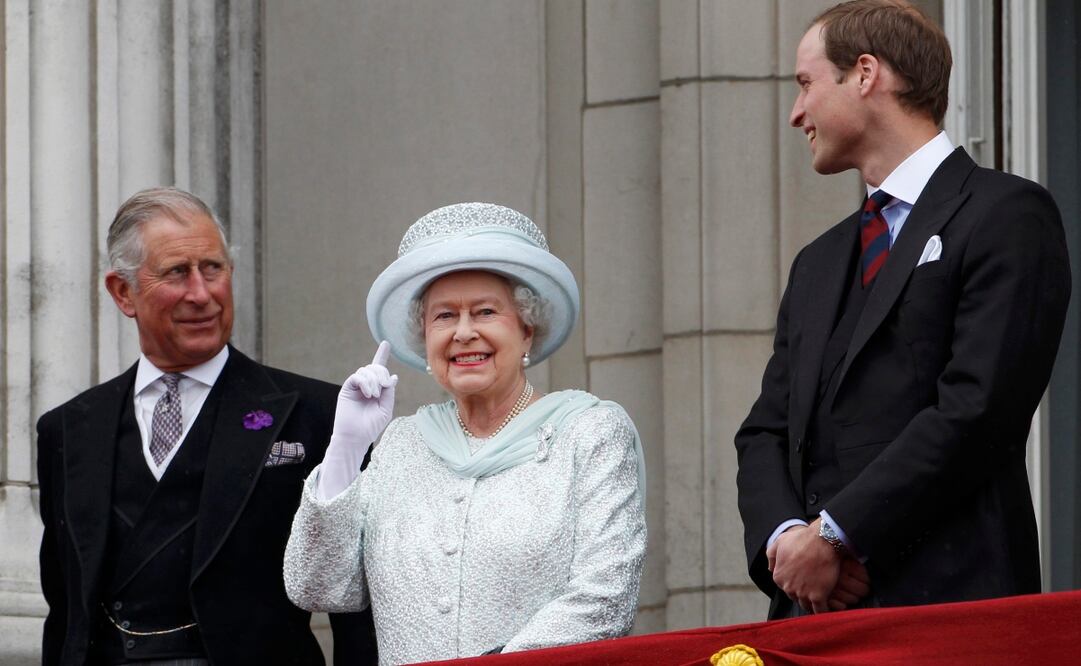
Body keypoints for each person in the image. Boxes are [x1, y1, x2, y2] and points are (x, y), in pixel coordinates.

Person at [735, 0, 1071, 619]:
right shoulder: (817, 261)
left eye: (806, 84)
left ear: (865, 74)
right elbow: (765, 431)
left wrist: (838, 534)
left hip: (952, 610)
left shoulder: (1006, 215)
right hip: (816, 618)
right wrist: (790, 544)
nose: (795, 113)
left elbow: (978, 409)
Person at [284, 202, 646, 664]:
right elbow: (319, 585)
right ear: (425, 339)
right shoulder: (400, 445)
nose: (463, 332)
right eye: (444, 317)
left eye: (485, 312)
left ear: (527, 330)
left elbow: (606, 598)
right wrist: (347, 450)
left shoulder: (589, 433)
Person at [36, 187, 376, 665]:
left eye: (212, 268)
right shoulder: (68, 430)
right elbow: (65, 609)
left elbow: (357, 608)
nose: (202, 293)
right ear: (123, 292)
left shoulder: (320, 413)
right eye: (177, 272)